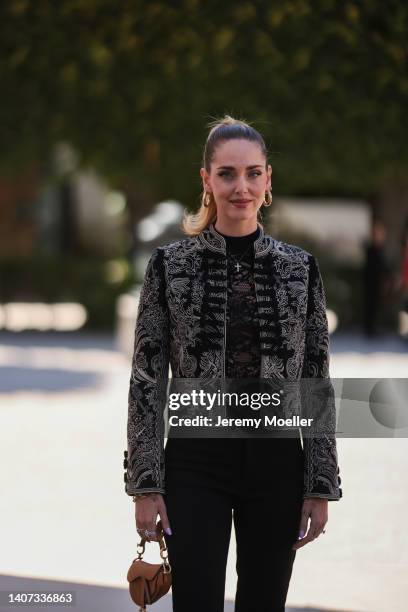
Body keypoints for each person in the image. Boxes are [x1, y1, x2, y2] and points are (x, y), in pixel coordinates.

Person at [123, 115, 342, 612]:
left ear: (268, 180)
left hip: (278, 465)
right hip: (194, 465)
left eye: (252, 173)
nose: (240, 186)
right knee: (196, 603)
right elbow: (146, 379)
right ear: (206, 181)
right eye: (226, 173)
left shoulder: (300, 268)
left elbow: (316, 379)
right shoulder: (169, 264)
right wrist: (145, 483)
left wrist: (320, 483)